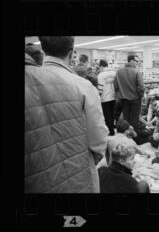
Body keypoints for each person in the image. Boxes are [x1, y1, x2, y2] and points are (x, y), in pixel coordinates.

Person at [25, 36, 108, 193]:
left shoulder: (28, 79)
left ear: (43, 49)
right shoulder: (82, 85)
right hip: (78, 171)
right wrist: (91, 159)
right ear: (71, 53)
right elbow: (98, 139)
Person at [114, 55, 145, 132]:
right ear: (131, 60)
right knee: (134, 120)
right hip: (135, 99)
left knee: (126, 118)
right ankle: (135, 137)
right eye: (136, 61)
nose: (137, 63)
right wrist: (140, 96)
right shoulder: (136, 71)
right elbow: (141, 87)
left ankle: (127, 135)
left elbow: (115, 86)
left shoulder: (119, 72)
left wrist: (120, 95)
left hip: (123, 99)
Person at [97, 59, 117, 136]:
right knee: (112, 114)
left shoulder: (101, 75)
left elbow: (100, 89)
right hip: (113, 97)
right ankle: (113, 128)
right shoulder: (114, 73)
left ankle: (110, 131)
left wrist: (98, 96)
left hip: (105, 98)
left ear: (101, 66)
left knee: (106, 115)